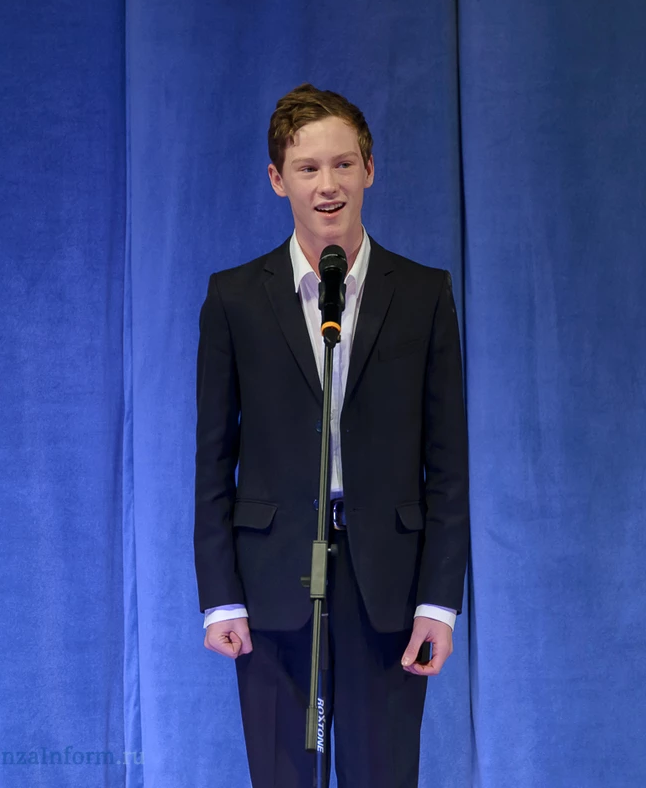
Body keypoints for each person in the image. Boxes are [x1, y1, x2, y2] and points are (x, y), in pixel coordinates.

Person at [194, 84, 469, 788]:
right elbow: (212, 460)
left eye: (344, 165)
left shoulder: (423, 294)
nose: (328, 185)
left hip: (388, 585)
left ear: (369, 169)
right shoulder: (234, 297)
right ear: (277, 179)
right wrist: (220, 596)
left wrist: (438, 603)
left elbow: (448, 464)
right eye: (308, 168)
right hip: (273, 581)